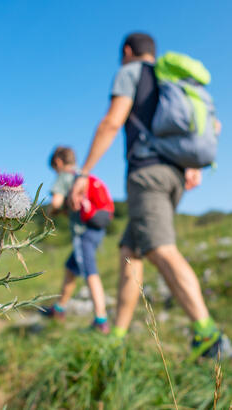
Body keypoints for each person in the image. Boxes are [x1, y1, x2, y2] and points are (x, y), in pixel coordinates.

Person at [70, 33, 228, 360]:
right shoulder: (172, 82)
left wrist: (83, 172)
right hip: (174, 176)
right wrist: (192, 164)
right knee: (131, 251)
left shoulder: (132, 72)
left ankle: (209, 336)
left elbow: (113, 121)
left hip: (147, 175)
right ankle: (118, 334)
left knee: (159, 248)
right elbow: (213, 125)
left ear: (128, 51)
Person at [42, 146, 110, 334]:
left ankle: (101, 320)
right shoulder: (83, 174)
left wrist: (52, 212)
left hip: (83, 232)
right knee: (71, 267)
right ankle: (59, 309)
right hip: (97, 228)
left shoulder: (65, 176)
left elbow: (55, 203)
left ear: (58, 162)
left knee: (90, 271)